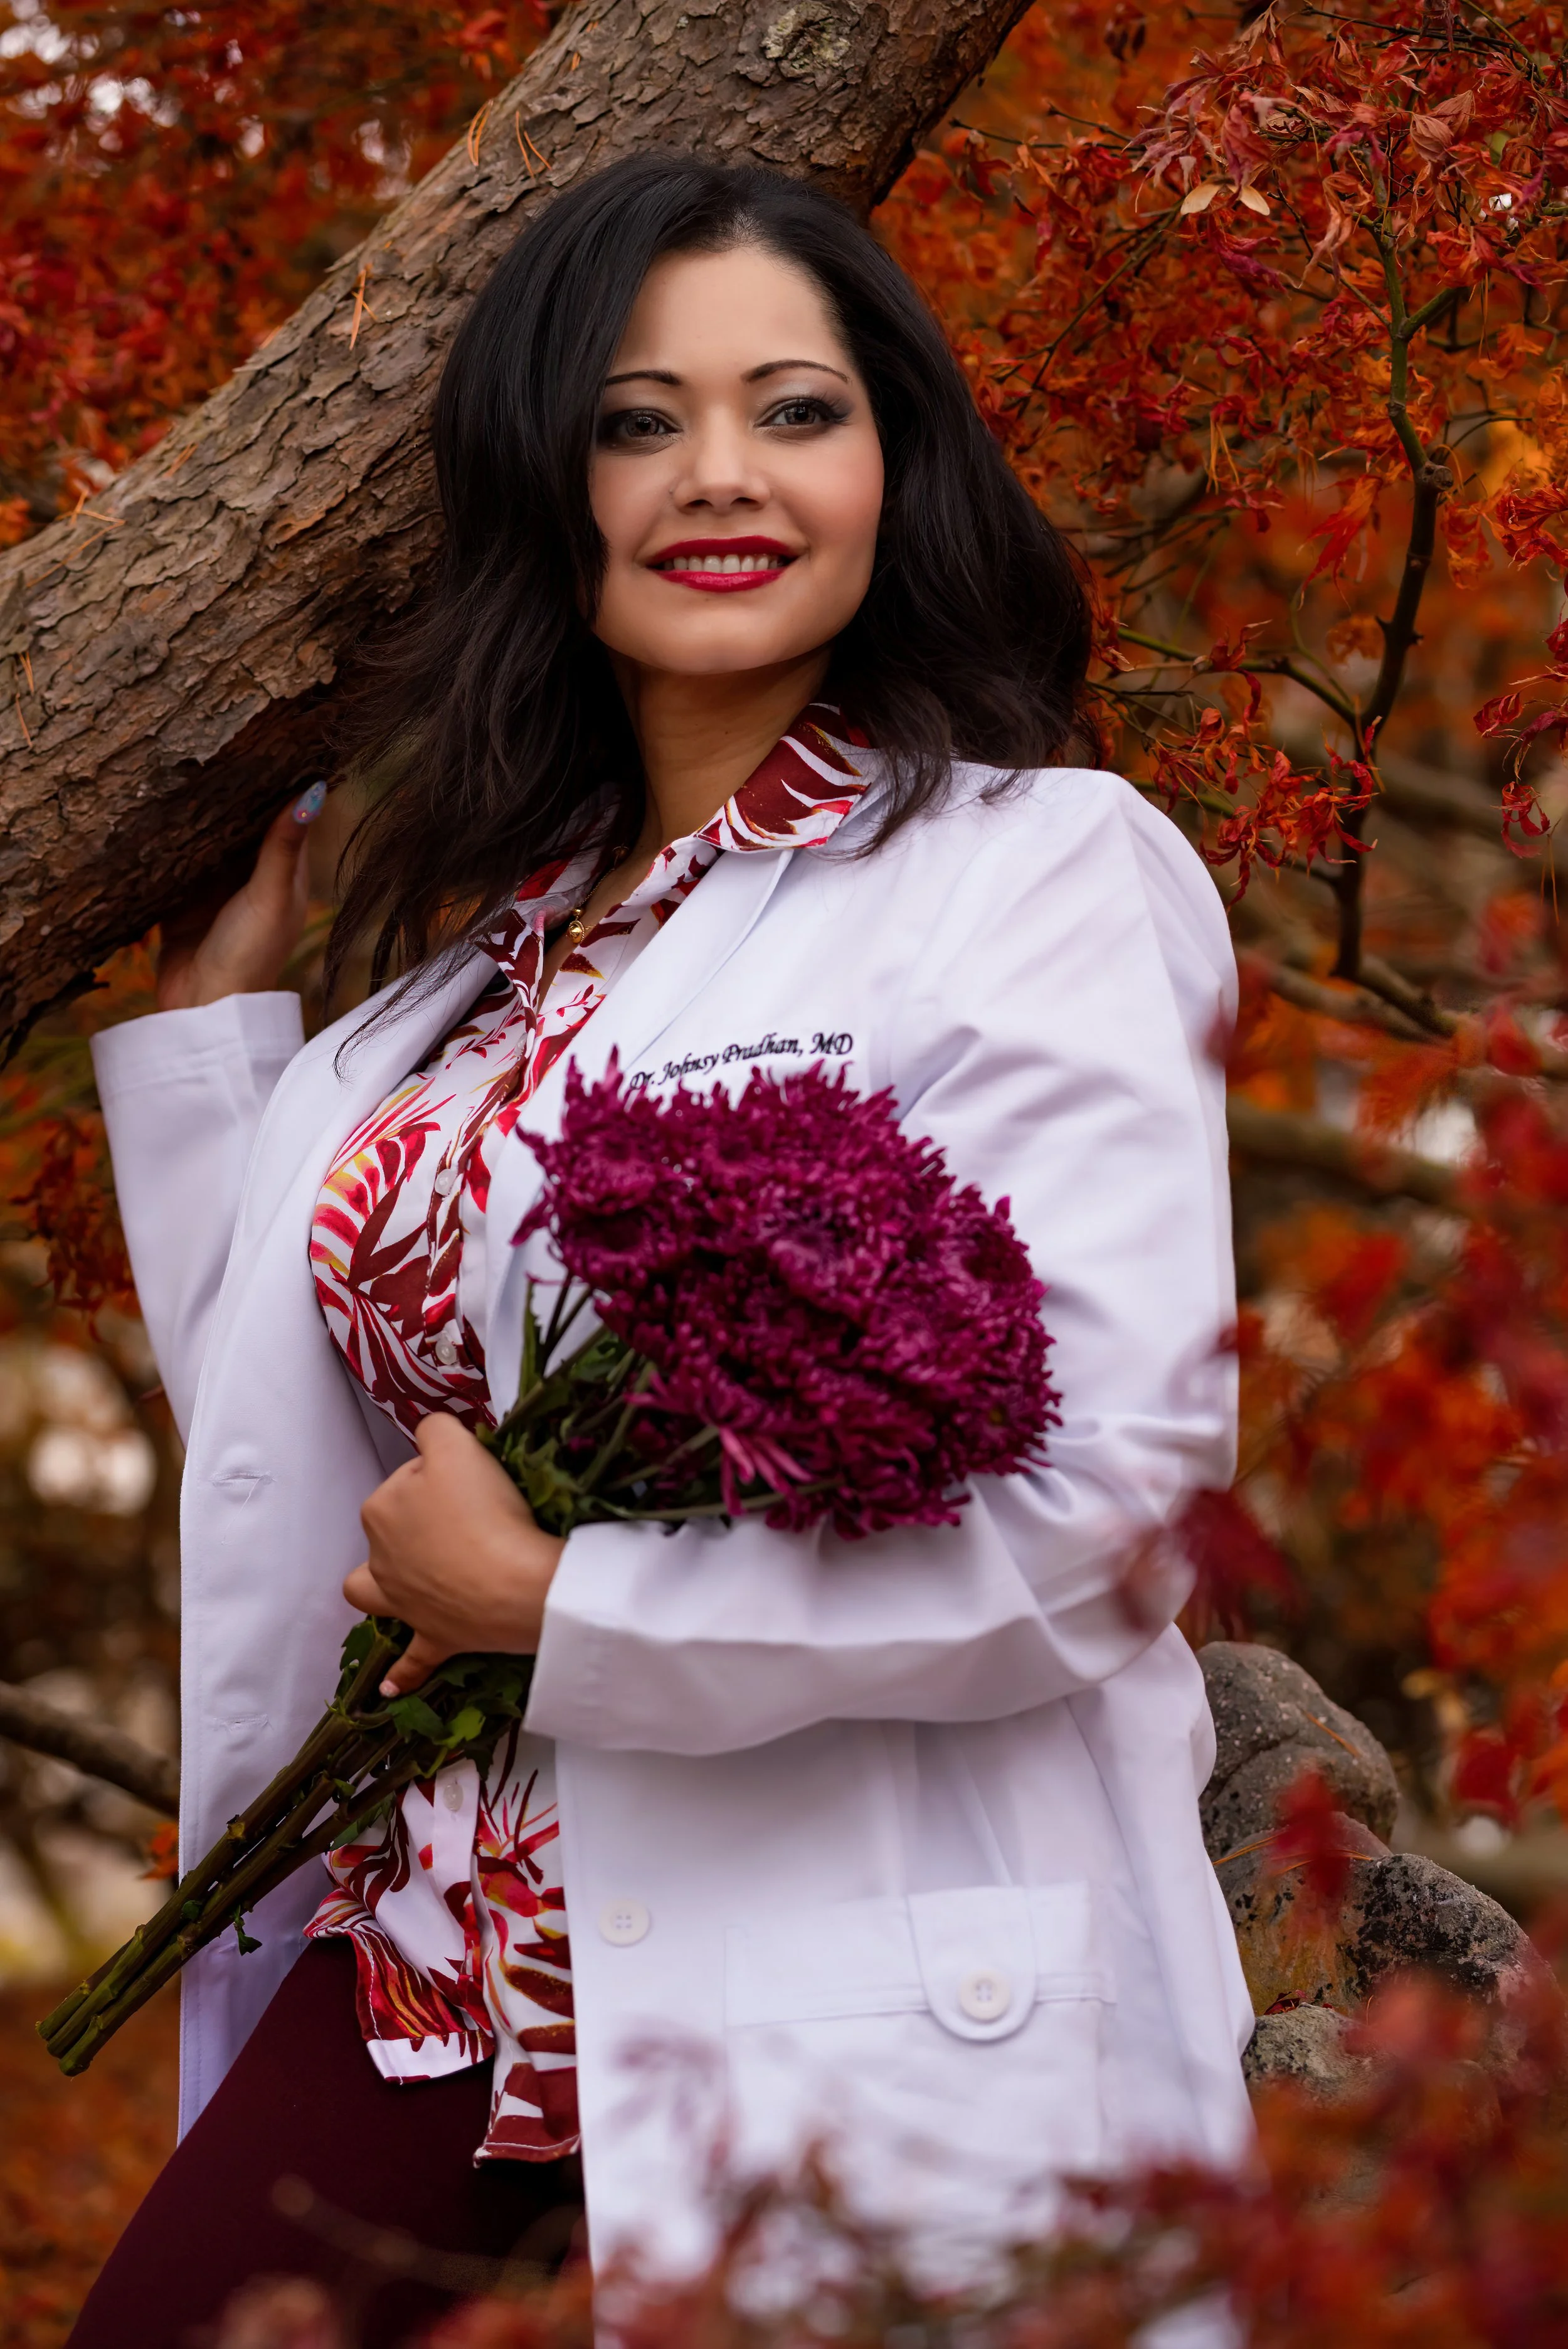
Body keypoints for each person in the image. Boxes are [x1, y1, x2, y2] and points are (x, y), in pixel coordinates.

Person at [70, 154, 1254, 2347]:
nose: (723, 475)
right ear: (547, 478)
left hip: (838, 1957)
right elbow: (311, 1450)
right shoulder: (474, 976)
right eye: (637, 419)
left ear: (896, 456)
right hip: (434, 1936)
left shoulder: (1033, 871)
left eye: (795, 409)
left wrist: (563, 1602)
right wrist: (211, 1056)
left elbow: (1112, 1513)